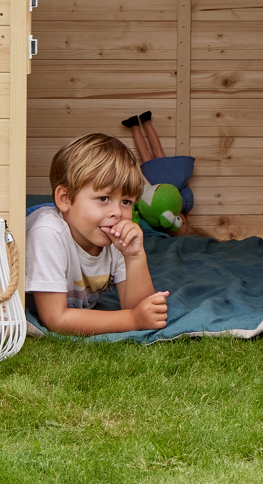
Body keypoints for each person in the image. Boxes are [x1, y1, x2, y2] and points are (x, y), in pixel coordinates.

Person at [26, 132, 171, 334]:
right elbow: (55, 318)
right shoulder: (47, 233)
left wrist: (135, 256)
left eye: (126, 202)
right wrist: (132, 320)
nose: (117, 213)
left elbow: (140, 308)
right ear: (65, 198)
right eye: (104, 198)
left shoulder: (116, 236)